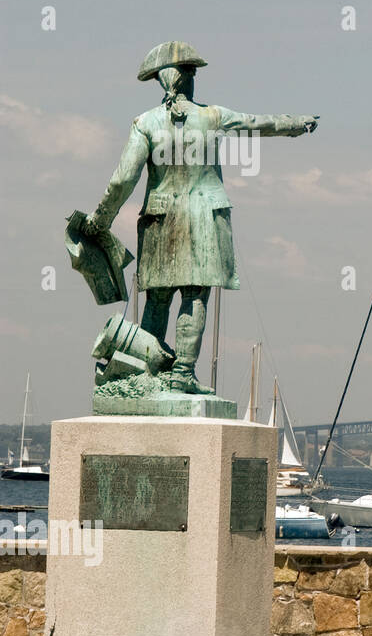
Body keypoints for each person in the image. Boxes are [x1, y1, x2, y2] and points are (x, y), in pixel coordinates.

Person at [81, 42, 318, 394]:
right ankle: (182, 374)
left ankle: (150, 369)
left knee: (158, 299)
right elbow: (257, 124)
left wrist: (100, 220)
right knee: (194, 297)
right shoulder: (212, 116)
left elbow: (122, 180)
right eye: (190, 71)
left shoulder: (145, 123)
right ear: (181, 78)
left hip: (161, 220)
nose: (194, 78)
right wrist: (295, 124)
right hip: (205, 218)